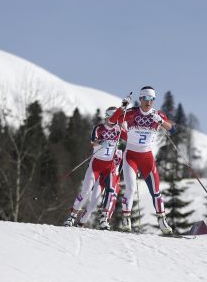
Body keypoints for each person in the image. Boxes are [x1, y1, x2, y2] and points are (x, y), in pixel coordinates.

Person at [108, 86, 174, 234]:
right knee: (130, 189)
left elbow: (171, 129)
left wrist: (161, 121)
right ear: (141, 98)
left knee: (156, 191)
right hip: (131, 156)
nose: (149, 102)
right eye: (146, 98)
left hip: (147, 158)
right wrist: (122, 107)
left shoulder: (157, 114)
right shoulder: (131, 113)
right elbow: (112, 121)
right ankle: (126, 219)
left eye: (152, 99)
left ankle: (162, 221)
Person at [64, 106, 123, 227]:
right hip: (96, 165)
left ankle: (104, 219)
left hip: (109, 167)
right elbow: (93, 142)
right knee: (86, 191)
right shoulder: (99, 128)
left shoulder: (119, 129)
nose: (113, 121)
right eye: (111, 118)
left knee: (109, 192)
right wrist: (101, 142)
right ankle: (72, 216)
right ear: (107, 117)